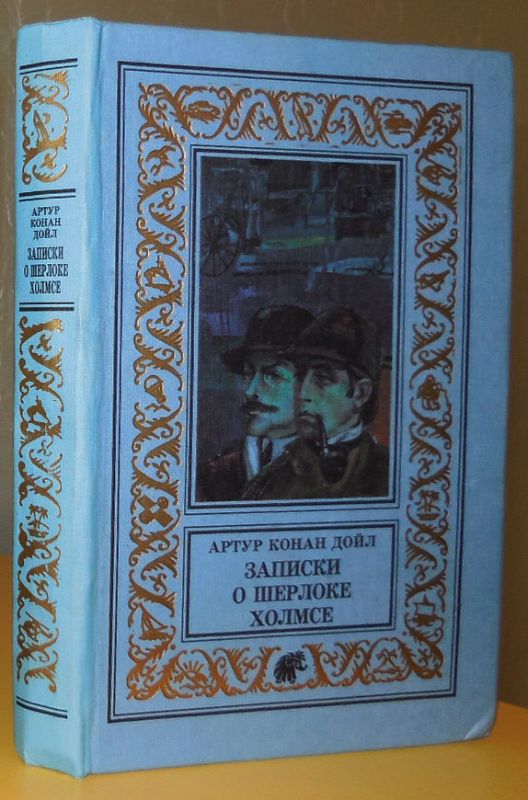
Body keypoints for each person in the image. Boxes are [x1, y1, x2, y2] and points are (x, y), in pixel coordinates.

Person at [242, 307, 389, 500]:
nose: (303, 393)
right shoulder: (270, 479)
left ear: (361, 393)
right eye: (302, 376)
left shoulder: (389, 473)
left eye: (321, 379)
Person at [197, 305, 314, 501]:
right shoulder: (213, 474)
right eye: (248, 373)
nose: (250, 391)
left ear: (310, 385)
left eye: (273, 375)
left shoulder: (335, 473)